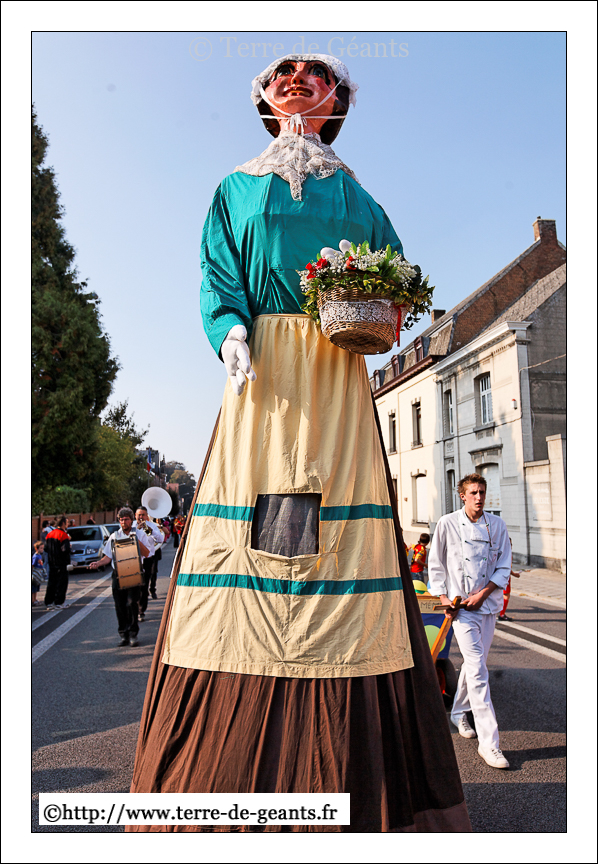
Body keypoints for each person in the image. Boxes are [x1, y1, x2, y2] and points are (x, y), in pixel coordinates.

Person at [126, 55, 470, 833]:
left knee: (333, 521)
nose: (297, 77)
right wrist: (230, 333)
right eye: (283, 71)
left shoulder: (359, 195)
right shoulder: (234, 187)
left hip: (337, 373)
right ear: (263, 95)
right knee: (260, 513)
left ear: (337, 99)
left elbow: (395, 282)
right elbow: (217, 274)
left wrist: (381, 309)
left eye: (316, 73)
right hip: (262, 375)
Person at [428, 473, 512, 770]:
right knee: (478, 670)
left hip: (486, 607)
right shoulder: (447, 524)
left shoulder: (497, 525)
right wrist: (443, 598)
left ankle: (457, 711)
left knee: (476, 665)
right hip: (461, 609)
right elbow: (436, 565)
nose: (479, 497)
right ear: (462, 495)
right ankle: (490, 744)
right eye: (474, 493)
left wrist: (484, 593)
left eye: (482, 492)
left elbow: (503, 566)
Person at [90, 507, 151, 647]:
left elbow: (147, 553)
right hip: (118, 574)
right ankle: (124, 634)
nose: (124, 522)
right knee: (120, 606)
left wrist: (136, 540)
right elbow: (107, 557)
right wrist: (98, 563)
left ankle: (133, 634)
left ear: (131, 520)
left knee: (132, 604)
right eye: (121, 520)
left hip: (134, 572)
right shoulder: (114, 536)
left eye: (126, 519)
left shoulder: (140, 534)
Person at [133, 506, 161, 614]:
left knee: (144, 586)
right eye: (139, 515)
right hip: (134, 560)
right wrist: (137, 529)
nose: (141, 517)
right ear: (135, 516)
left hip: (147, 559)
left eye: (143, 515)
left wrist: (148, 529)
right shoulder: (131, 526)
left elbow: (160, 539)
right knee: (135, 586)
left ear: (146, 516)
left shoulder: (151, 526)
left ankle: (141, 610)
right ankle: (135, 608)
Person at [44, 517, 72, 610]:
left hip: (52, 562)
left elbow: (45, 548)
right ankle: (59, 602)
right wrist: (69, 546)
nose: (68, 524)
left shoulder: (50, 534)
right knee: (61, 583)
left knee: (51, 582)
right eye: (67, 522)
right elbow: (65, 550)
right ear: (63, 523)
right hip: (61, 563)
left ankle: (49, 602)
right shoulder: (63, 535)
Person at [498, 538, 521, 622]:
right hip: (505, 576)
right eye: (509, 544)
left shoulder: (500, 552)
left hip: (500, 575)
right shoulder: (507, 554)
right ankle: (502, 614)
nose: (510, 546)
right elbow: (507, 567)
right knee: (506, 595)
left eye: (511, 544)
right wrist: (515, 574)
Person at [32, 541, 46, 605]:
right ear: (36, 548)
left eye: (43, 548)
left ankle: (35, 599)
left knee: (37, 587)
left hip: (39, 572)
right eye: (41, 548)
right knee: (33, 588)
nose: (42, 549)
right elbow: (33, 565)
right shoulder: (35, 556)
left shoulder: (39, 555)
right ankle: (33, 600)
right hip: (35, 573)